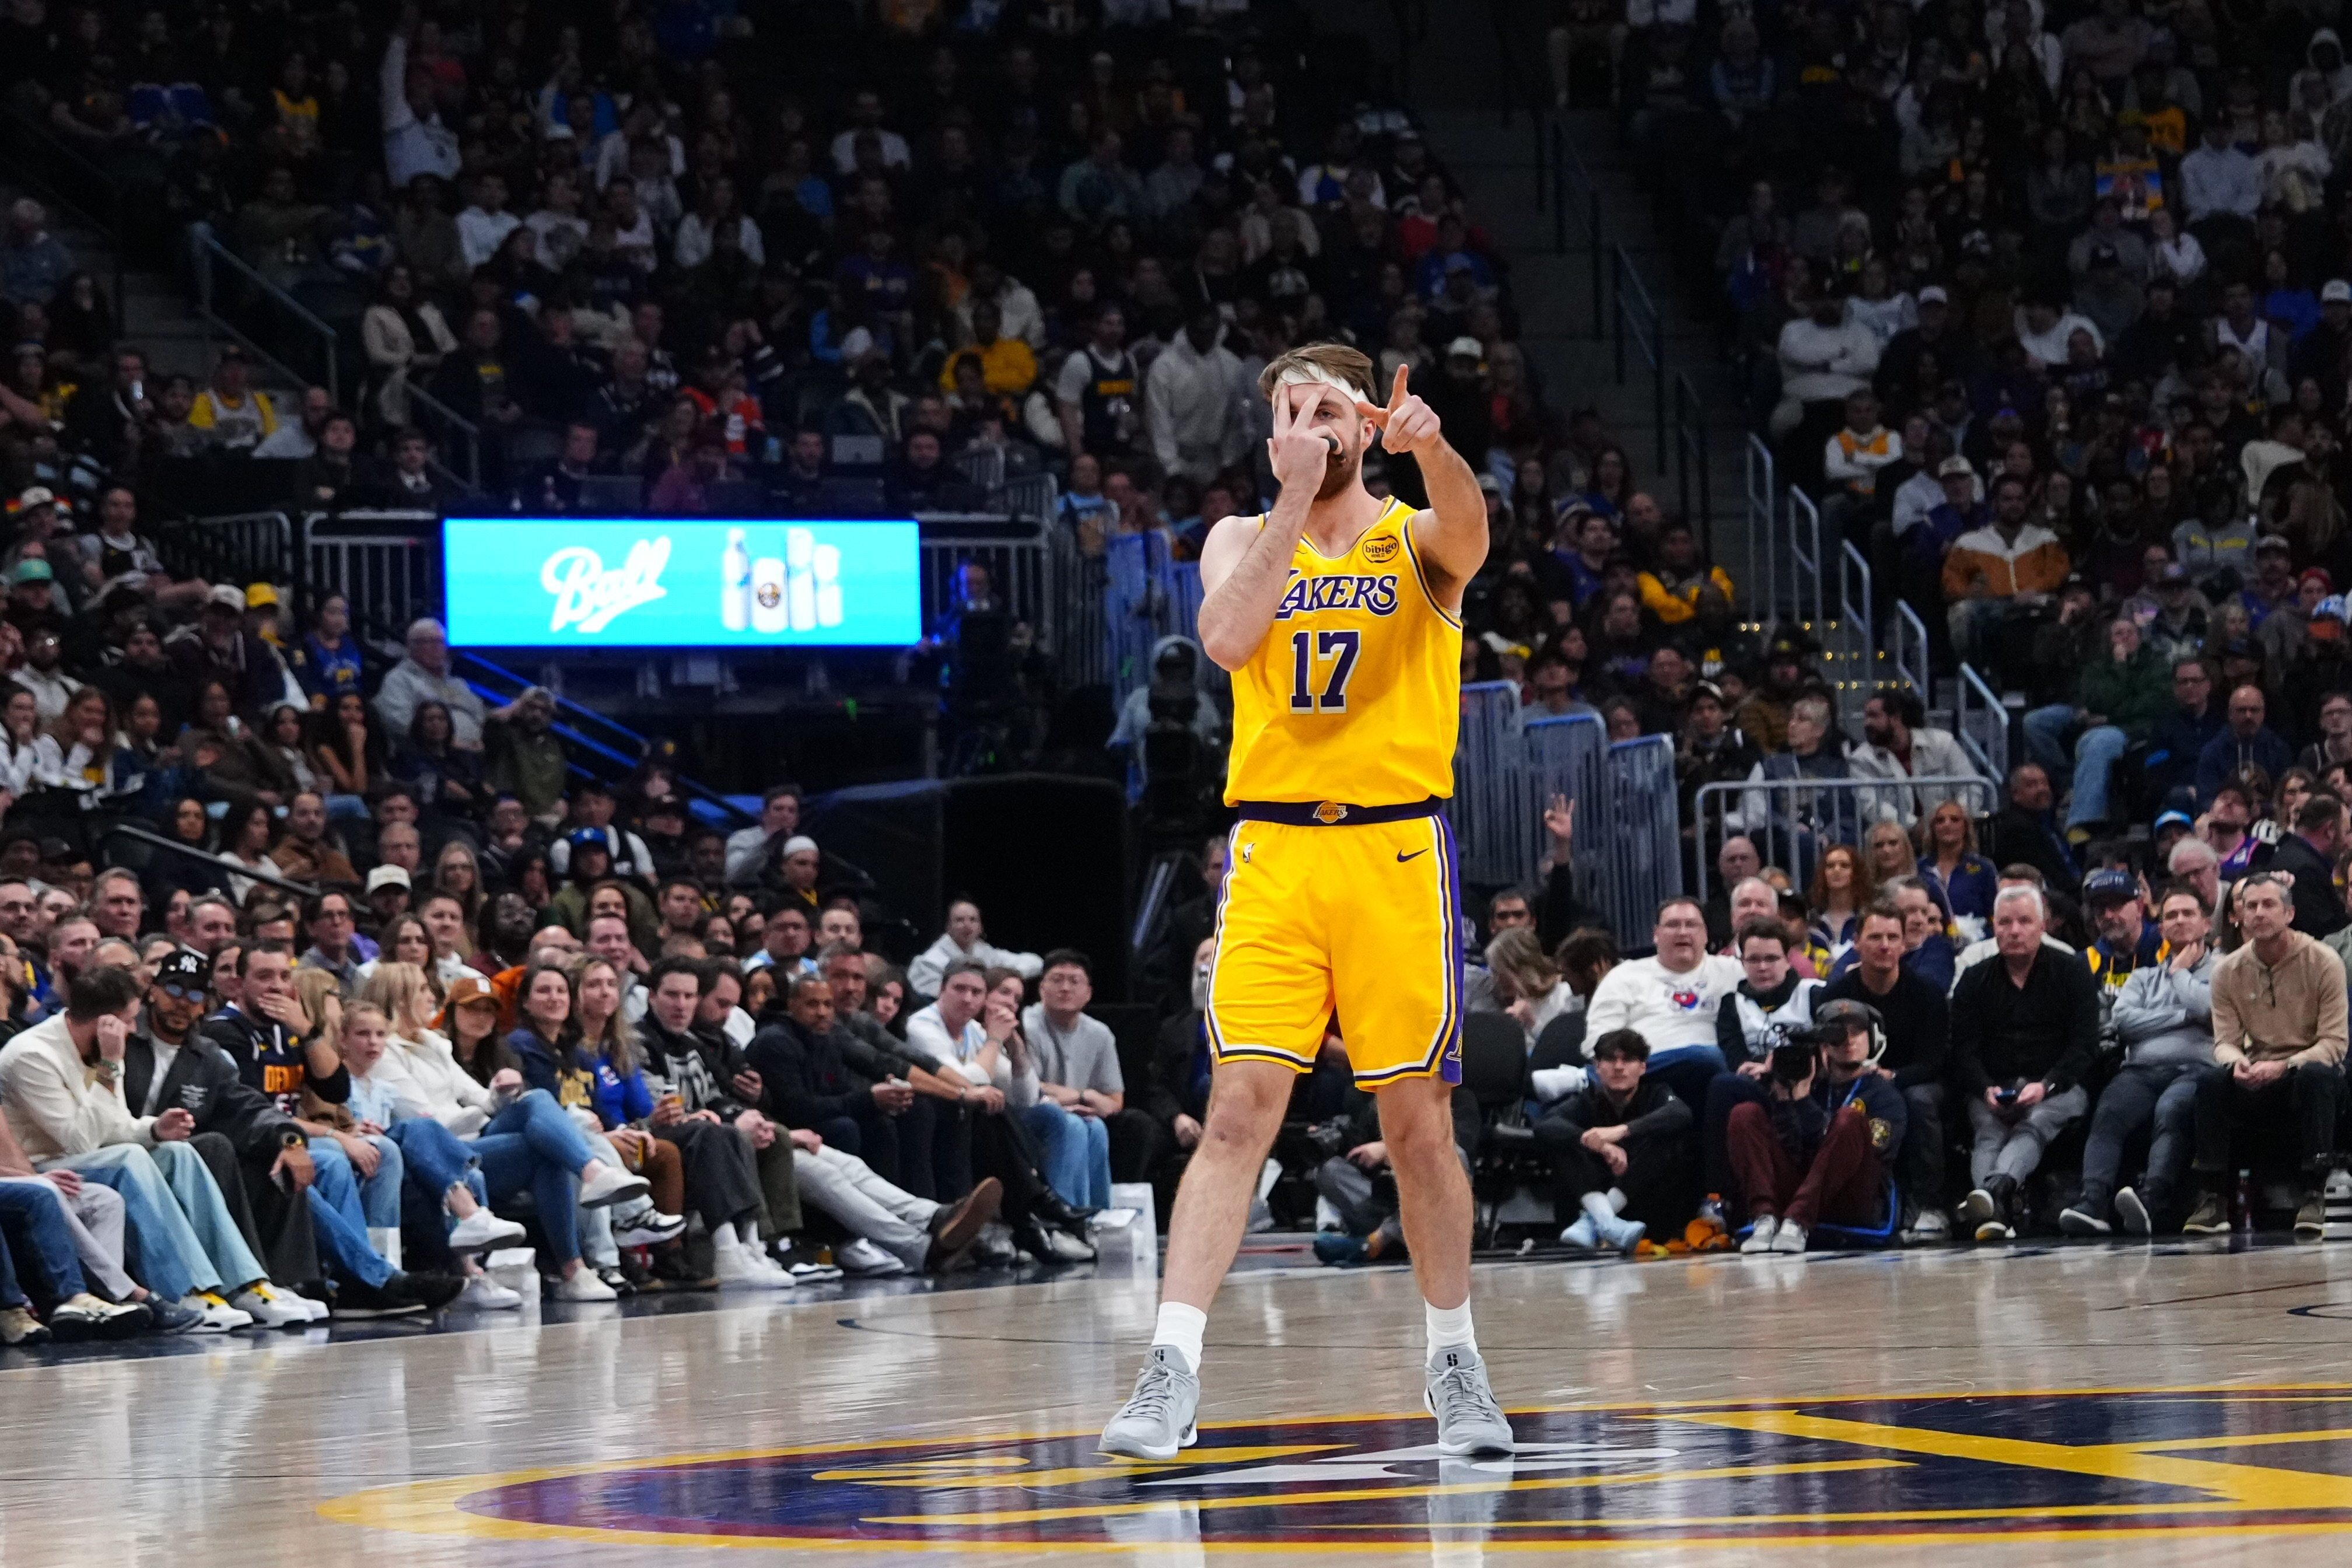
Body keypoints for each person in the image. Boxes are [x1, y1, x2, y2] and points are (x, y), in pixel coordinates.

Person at [1100, 344, 1513, 1462]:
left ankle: (1454, 1359)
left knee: (1416, 1122)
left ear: (1366, 422)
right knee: (1236, 1110)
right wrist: (1290, 491)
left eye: (1323, 406)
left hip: (1392, 848)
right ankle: (1169, 1368)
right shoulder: (1240, 537)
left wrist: (1433, 452)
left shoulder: (1413, 533)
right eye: (1285, 407)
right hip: (1276, 850)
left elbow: (1469, 536)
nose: (1300, 422)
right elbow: (1228, 638)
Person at [2060, 884, 2218, 1236]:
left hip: (2197, 1069)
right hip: (2141, 1070)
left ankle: (2152, 1198)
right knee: (2109, 1112)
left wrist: (2179, 974)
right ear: (2160, 929)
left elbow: (2209, 1009)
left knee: (2171, 1109)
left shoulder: (2224, 968)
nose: (2179, 921)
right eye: (2171, 916)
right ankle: (2093, 1202)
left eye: (2188, 914)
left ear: (2207, 924)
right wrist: (2183, 1016)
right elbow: (2124, 1021)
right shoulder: (2144, 977)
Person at [2198, 872, 2347, 1238]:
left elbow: (2334, 1043)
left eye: (2269, 904)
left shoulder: (2324, 961)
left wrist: (2284, 1066)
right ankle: (2211, 1199)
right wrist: (2238, 1063)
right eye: (2251, 906)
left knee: (2317, 1074)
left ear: (2289, 914)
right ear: (2238, 916)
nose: (2259, 913)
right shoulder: (2227, 971)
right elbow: (2224, 1041)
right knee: (2208, 1080)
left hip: (2306, 1072)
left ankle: (2314, 1193)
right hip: (2257, 1071)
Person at [1949, 886, 2102, 1241]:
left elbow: (2084, 1046)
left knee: (2036, 1120)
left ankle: (1992, 1196)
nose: (2014, 931)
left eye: (2024, 921)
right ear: (1994, 928)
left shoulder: (2072, 972)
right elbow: (1963, 1050)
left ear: (2042, 926)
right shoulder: (1974, 979)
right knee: (1988, 1130)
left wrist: (2046, 1085)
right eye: (2005, 923)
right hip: (1993, 1085)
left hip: (2058, 1085)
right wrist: (1985, 1089)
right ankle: (1995, 1212)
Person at [1730, 999, 1908, 1254]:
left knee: (1850, 1119)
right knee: (1745, 1114)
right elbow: (1791, 1149)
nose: (1849, 1040)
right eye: (1838, 1033)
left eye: (1857, 1032)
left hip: (1852, 1197)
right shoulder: (1808, 1084)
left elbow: (1877, 1156)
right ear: (1823, 1043)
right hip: (1801, 1191)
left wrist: (1804, 1104)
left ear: (1873, 1040)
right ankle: (1764, 1219)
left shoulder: (1883, 1095)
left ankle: (1797, 1221)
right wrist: (1784, 1097)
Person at [1583, 897, 1745, 1111]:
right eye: (1673, 925)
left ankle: (1584, 1078)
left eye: (1691, 925)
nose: (1683, 932)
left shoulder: (1734, 972)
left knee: (1709, 1058)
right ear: (1656, 935)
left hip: (1715, 1074)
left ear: (1706, 934)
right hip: (1643, 1077)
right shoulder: (1625, 975)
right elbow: (1598, 1040)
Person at [906, 898, 1042, 998]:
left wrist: (999, 977)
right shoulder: (929, 962)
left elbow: (1035, 963)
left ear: (980, 927)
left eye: (973, 920)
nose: (967, 925)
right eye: (960, 920)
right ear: (948, 927)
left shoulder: (985, 952)